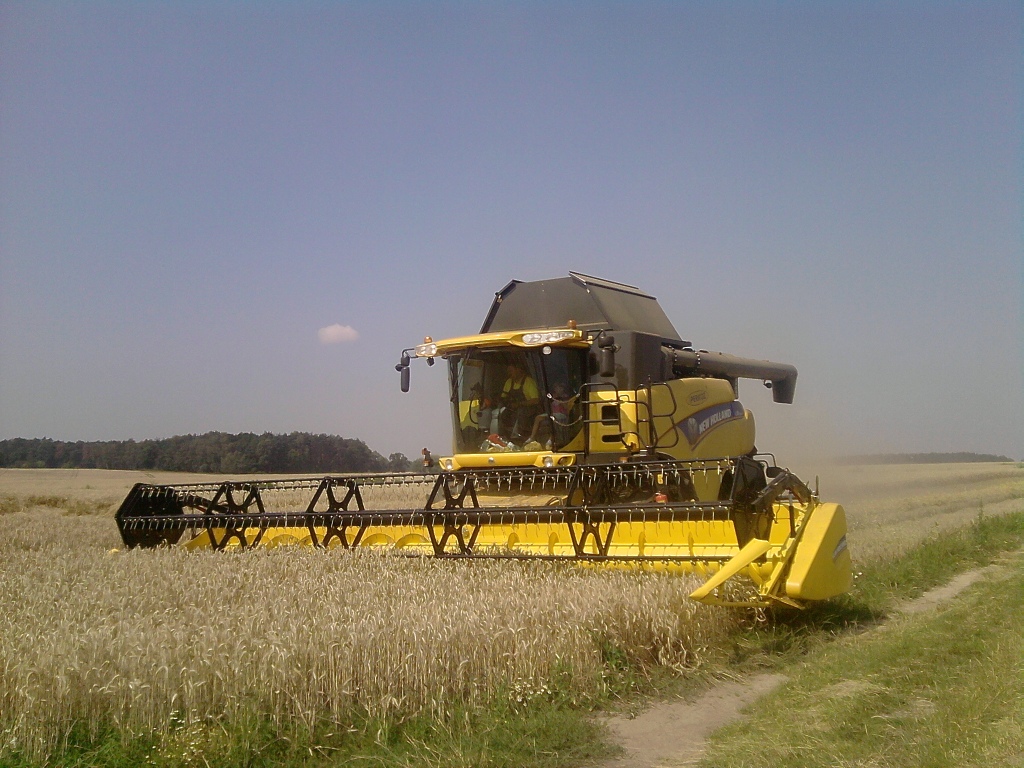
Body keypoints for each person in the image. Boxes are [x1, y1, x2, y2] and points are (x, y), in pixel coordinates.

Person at [495, 362, 540, 441]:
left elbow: (536, 400)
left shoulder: (529, 382)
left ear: (518, 370)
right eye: (508, 371)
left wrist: (519, 404)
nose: (509, 373)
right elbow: (503, 397)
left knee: (521, 412)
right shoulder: (509, 382)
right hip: (513, 408)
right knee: (501, 413)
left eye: (511, 371)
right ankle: (502, 437)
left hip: (529, 409)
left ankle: (520, 437)